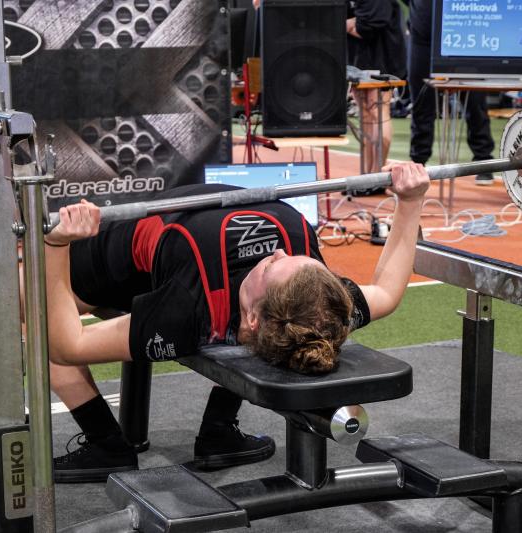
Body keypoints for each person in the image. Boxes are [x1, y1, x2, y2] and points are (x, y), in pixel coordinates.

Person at [45, 162, 430, 483]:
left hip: (188, 260)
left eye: (272, 267)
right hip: (112, 250)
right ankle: (115, 440)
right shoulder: (325, 302)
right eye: (295, 260)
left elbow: (64, 346)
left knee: (37, 322)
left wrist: (53, 244)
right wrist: (411, 200)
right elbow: (388, 292)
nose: (279, 253)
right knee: (30, 305)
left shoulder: (194, 311)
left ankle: (127, 443)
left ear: (253, 317)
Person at [405, 0, 495, 185]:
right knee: (421, 104)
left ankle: (484, 161)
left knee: (475, 103)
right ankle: (417, 162)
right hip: (423, 38)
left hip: (463, 32)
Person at [346, 0, 407, 174]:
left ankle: (377, 175)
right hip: (358, 57)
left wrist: (349, 24)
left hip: (383, 56)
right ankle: (367, 175)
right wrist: (350, 24)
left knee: (378, 112)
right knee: (365, 113)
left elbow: (367, 28)